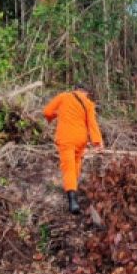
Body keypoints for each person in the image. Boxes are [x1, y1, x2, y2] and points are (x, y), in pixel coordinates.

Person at [42, 85, 104, 213]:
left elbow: (47, 112)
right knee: (76, 164)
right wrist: (97, 142)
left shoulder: (63, 97)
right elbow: (92, 123)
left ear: (74, 89)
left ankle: (73, 202)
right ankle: (73, 190)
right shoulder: (88, 103)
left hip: (66, 138)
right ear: (84, 92)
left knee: (68, 167)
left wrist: (54, 116)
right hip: (81, 139)